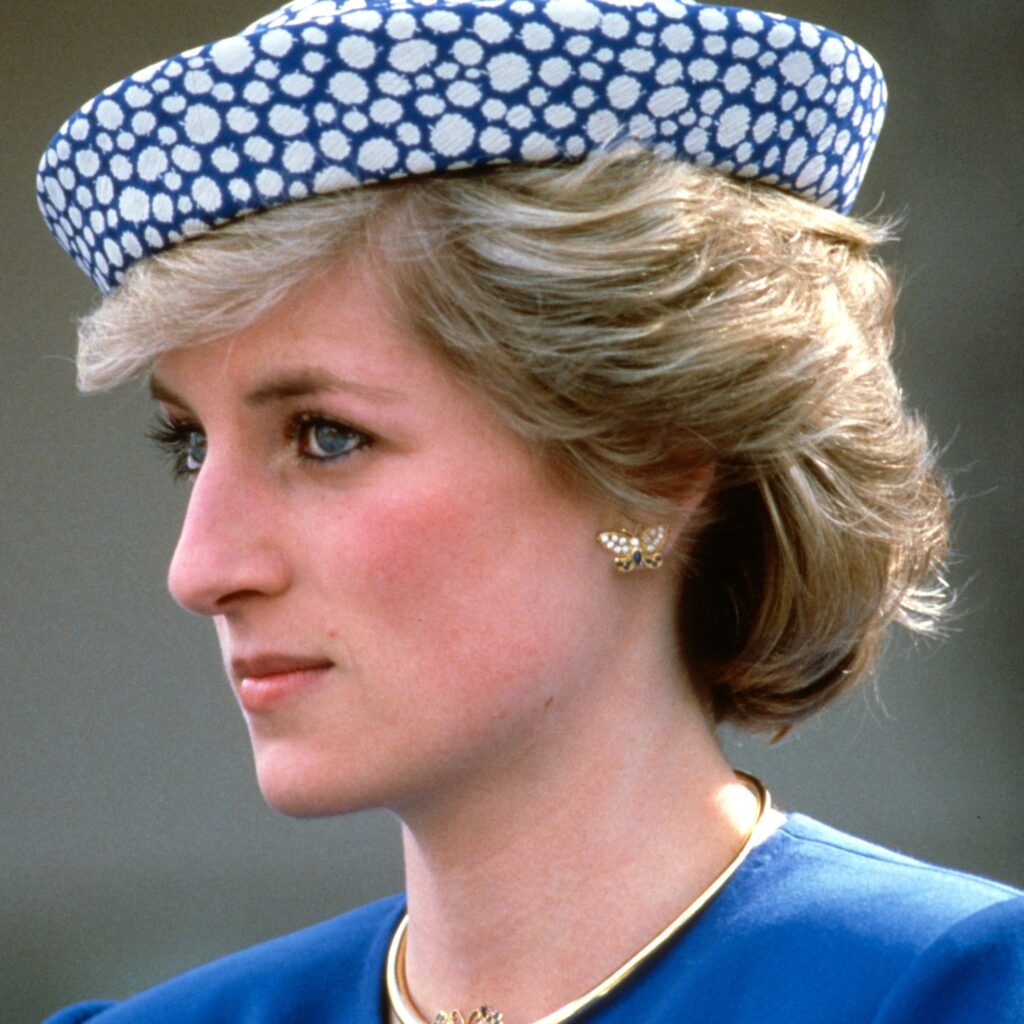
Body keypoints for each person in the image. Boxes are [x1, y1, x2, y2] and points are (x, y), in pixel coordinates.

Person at [35, 1, 1023, 1022]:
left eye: (325, 434)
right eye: (189, 444)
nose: (199, 568)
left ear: (655, 463)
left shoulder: (959, 990)